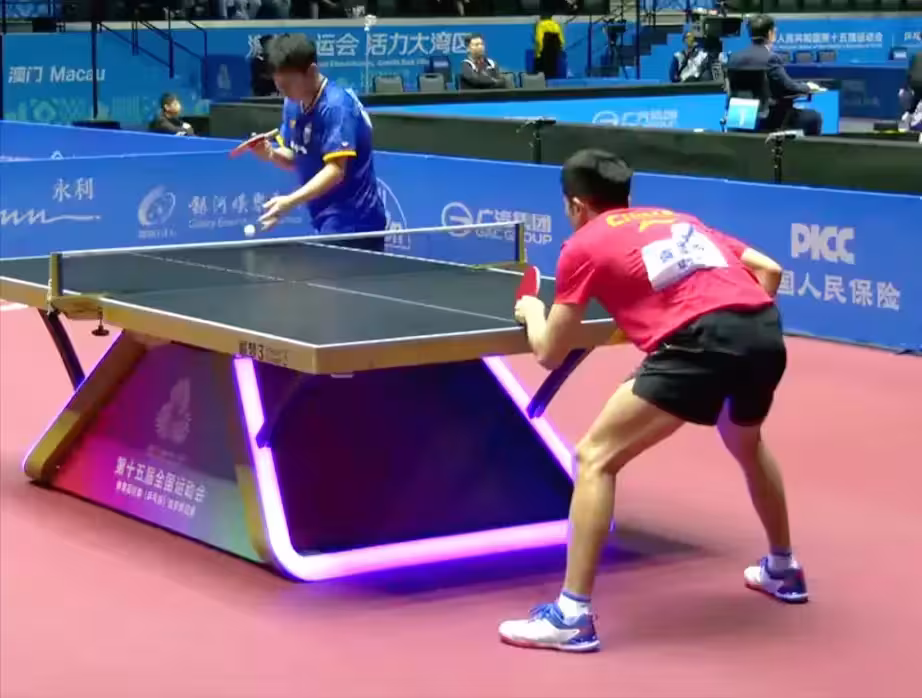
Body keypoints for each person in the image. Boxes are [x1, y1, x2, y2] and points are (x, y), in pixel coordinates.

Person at [501, 149, 807, 653]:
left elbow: (549, 352)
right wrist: (724, 331)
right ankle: (783, 568)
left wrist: (532, 310)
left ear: (576, 205)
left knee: (595, 457)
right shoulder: (677, 220)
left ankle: (571, 617)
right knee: (747, 444)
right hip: (762, 332)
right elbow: (768, 270)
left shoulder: (583, 243)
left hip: (698, 344)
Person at [249, 33, 387, 251]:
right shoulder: (292, 103)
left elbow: (336, 170)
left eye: (288, 84)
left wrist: (289, 201)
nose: (283, 91)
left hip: (355, 223)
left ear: (311, 71)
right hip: (324, 217)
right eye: (279, 85)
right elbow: (297, 158)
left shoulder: (336, 107)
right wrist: (271, 154)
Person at [726, 14, 824, 135]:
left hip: (740, 116)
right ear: (770, 33)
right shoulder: (771, 58)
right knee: (813, 117)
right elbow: (789, 87)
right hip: (768, 117)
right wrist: (808, 87)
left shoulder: (734, 58)